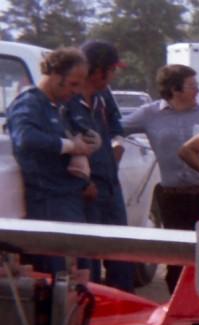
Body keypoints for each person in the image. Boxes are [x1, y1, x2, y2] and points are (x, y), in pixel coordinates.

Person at [122, 64, 199, 293]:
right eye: (192, 86)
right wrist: (115, 146)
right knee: (177, 252)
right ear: (175, 89)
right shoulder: (149, 114)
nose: (198, 90)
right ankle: (176, 299)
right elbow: (115, 128)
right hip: (173, 197)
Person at [6, 47, 99, 276]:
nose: (76, 91)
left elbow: (75, 131)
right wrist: (70, 146)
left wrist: (89, 140)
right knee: (60, 274)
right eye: (73, 84)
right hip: (49, 200)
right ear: (56, 76)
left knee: (80, 270)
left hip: (69, 197)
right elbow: (26, 138)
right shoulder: (28, 104)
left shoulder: (59, 108)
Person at [67, 40, 134, 292]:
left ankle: (125, 310)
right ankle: (91, 312)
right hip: (85, 190)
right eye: (112, 69)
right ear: (98, 70)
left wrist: (117, 144)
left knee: (121, 251)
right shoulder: (67, 100)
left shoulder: (104, 96)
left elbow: (117, 127)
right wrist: (83, 181)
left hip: (110, 185)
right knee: (89, 255)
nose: (115, 75)